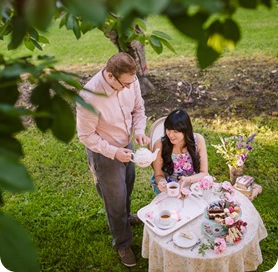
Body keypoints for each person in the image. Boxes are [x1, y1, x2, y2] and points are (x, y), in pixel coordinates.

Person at [76, 52, 150, 268]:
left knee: (128, 187)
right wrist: (114, 152)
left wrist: (139, 129)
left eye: (131, 82)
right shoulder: (89, 97)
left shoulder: (130, 80)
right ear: (110, 76)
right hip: (105, 154)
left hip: (127, 145)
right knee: (115, 200)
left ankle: (126, 218)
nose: (129, 87)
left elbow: (138, 108)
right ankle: (122, 243)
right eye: (124, 84)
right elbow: (86, 136)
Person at [151, 109, 208, 195]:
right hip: (169, 186)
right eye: (168, 130)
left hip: (193, 182)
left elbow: (204, 172)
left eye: (175, 131)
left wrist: (187, 180)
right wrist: (162, 182)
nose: (170, 135)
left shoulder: (198, 140)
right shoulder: (159, 145)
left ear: (185, 130)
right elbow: (159, 174)